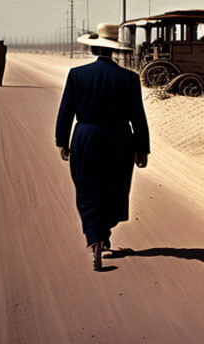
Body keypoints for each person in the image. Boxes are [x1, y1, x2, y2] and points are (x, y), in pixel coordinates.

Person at [55, 23, 150, 271]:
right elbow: (138, 117)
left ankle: (95, 237)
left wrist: (62, 142)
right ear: (115, 50)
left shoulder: (77, 75)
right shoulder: (129, 78)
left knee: (87, 189)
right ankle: (104, 231)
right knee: (113, 188)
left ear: (94, 47)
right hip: (120, 139)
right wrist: (142, 148)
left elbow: (66, 113)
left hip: (85, 137)